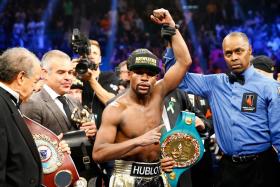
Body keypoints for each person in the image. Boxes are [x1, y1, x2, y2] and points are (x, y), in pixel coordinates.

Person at [163, 31, 280, 187]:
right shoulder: (215, 83)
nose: (234, 57)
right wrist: (171, 39)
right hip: (227, 168)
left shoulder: (269, 86)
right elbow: (175, 77)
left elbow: (278, 132)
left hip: (262, 167)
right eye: (228, 53)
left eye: (239, 51)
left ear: (250, 50)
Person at [93, 8, 193, 187]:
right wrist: (138, 141)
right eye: (139, 73)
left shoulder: (159, 92)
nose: (145, 78)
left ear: (156, 77)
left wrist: (171, 26)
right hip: (126, 177)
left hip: (159, 173)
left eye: (150, 74)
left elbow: (184, 62)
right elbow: (99, 153)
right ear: (129, 74)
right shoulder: (116, 109)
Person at [20, 50, 97, 181]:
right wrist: (55, 146)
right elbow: (29, 150)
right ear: (44, 73)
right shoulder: (32, 103)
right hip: (55, 178)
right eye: (61, 72)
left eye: (70, 72)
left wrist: (91, 132)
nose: (68, 77)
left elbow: (84, 139)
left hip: (82, 173)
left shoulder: (73, 101)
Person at [0, 47, 70, 186]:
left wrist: (49, 147)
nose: (37, 88)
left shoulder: (9, 102)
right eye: (36, 80)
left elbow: (13, 149)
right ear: (20, 77)